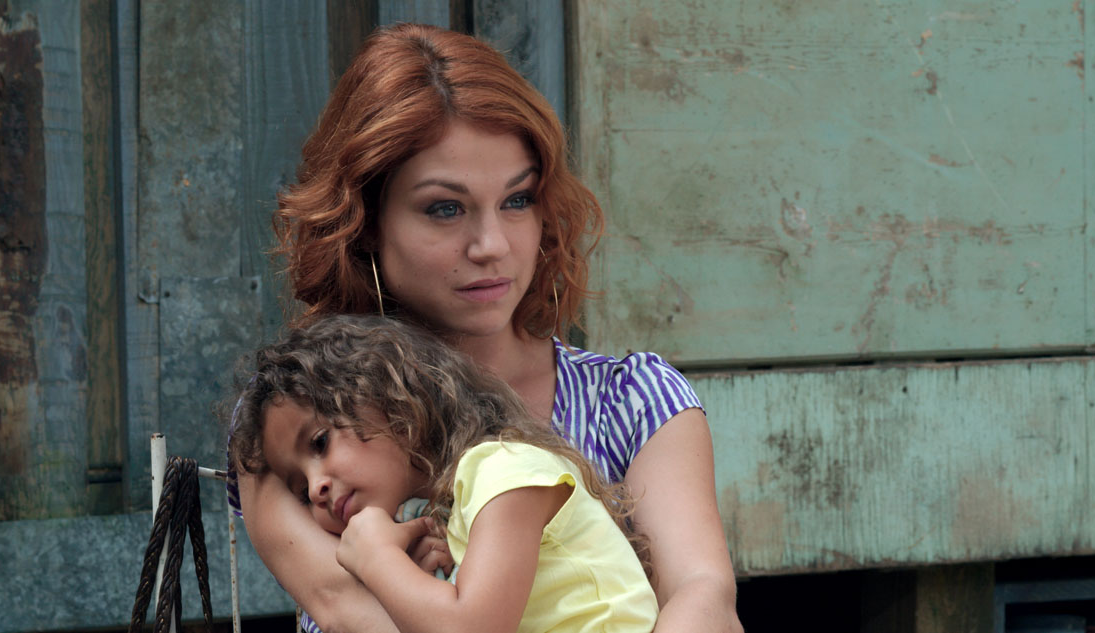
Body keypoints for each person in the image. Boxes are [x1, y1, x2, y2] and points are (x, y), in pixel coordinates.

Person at [232, 21, 741, 633]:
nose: (492, 245)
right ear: (363, 224)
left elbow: (702, 597)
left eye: (517, 200)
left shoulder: (632, 400)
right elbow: (347, 611)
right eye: (445, 208)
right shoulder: (290, 422)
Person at [230, 314, 659, 632]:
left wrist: (377, 559)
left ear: (391, 399)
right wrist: (413, 581)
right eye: (300, 490)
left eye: (320, 442)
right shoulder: (454, 513)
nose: (315, 488)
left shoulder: (505, 472)